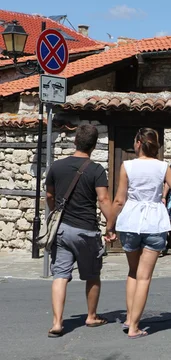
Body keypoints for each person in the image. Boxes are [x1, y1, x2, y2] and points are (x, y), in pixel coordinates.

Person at [105, 128, 171, 339]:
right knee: (144, 277)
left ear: (138, 143)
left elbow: (119, 200)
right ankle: (134, 326)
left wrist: (110, 226)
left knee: (133, 272)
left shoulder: (127, 166)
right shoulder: (162, 167)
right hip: (154, 222)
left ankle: (129, 318)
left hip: (130, 221)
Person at [45, 125, 113, 337]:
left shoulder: (56, 166)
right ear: (93, 145)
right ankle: (91, 316)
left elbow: (49, 196)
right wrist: (111, 225)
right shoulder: (96, 170)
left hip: (63, 229)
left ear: (75, 141)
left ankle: (57, 322)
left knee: (60, 275)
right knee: (92, 275)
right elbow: (103, 199)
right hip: (86, 230)